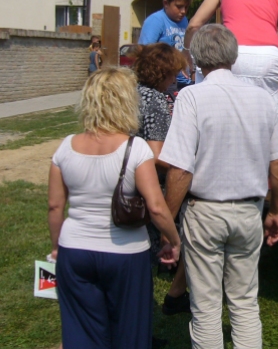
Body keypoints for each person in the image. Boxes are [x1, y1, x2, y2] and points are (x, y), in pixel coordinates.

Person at [159, 24, 278, 349]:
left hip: (205, 210)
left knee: (206, 306)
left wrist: (167, 223)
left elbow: (180, 170)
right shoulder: (262, 98)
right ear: (233, 55)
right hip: (249, 209)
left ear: (197, 58)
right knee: (244, 300)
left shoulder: (191, 96)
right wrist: (277, 211)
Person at [47, 68, 181, 348]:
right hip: (126, 252)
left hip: (75, 248)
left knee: (81, 329)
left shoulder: (65, 148)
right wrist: (172, 239)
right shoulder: (136, 148)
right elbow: (156, 207)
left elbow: (55, 206)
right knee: (129, 331)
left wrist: (57, 246)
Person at [131, 43, 191, 315]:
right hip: (149, 185)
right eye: (173, 73)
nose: (175, 79)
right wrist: (187, 163)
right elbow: (157, 155)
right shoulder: (155, 100)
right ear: (164, 72)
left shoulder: (132, 93)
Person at [138, 0, 194, 89]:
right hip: (165, 82)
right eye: (179, 6)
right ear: (166, 3)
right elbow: (144, 52)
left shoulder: (184, 21)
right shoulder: (156, 21)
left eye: (186, 7)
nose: (183, 11)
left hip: (183, 81)